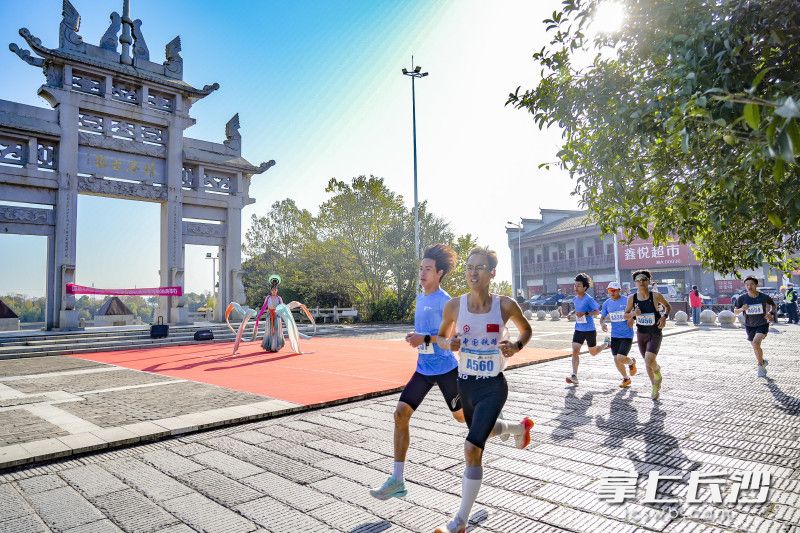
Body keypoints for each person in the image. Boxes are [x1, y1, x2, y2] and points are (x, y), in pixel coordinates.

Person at [433, 247, 534, 533]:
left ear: (492, 273)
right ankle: (518, 428)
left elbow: (526, 331)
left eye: (479, 267)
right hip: (465, 383)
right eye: (469, 267)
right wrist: (447, 343)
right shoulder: (454, 306)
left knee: (471, 448)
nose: (473, 272)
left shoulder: (505, 305)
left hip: (493, 386)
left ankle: (459, 521)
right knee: (484, 431)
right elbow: (442, 336)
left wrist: (516, 346)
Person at [370, 244, 464, 500]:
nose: (422, 273)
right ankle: (397, 480)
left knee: (463, 418)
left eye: (428, 269)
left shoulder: (447, 302)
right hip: (423, 370)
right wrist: (418, 338)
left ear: (440, 273)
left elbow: (452, 342)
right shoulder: (420, 297)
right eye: (421, 268)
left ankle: (503, 425)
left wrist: (423, 338)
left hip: (446, 370)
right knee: (400, 414)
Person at [624, 270, 671, 400]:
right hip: (641, 333)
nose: (641, 282)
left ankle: (657, 370)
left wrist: (664, 317)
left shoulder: (655, 296)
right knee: (646, 362)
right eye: (638, 280)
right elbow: (625, 315)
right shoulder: (631, 298)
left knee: (649, 359)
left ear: (649, 281)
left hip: (655, 332)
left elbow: (668, 306)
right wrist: (634, 314)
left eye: (644, 279)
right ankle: (654, 386)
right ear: (635, 283)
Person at [565, 273, 608, 386]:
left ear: (585, 287)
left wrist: (586, 313)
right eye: (575, 285)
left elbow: (597, 311)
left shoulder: (589, 299)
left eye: (578, 285)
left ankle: (605, 345)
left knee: (593, 353)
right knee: (575, 350)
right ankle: (574, 375)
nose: (576, 287)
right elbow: (577, 309)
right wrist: (572, 312)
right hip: (578, 329)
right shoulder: (575, 299)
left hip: (589, 330)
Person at [734, 276, 776, 377]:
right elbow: (735, 311)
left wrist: (770, 313)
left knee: (755, 342)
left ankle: (760, 366)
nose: (749, 286)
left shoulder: (763, 297)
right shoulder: (742, 298)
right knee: (755, 346)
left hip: (762, 324)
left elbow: (773, 305)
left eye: (752, 284)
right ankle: (762, 362)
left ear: (756, 285)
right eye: (747, 285)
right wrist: (742, 309)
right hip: (749, 325)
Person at [599, 282, 637, 388]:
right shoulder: (607, 303)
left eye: (614, 290)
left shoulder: (627, 300)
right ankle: (626, 378)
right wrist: (602, 324)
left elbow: (633, 314)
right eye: (609, 290)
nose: (612, 292)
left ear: (619, 290)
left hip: (626, 335)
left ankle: (631, 362)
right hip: (615, 335)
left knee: (620, 357)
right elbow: (602, 317)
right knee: (616, 359)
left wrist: (632, 319)